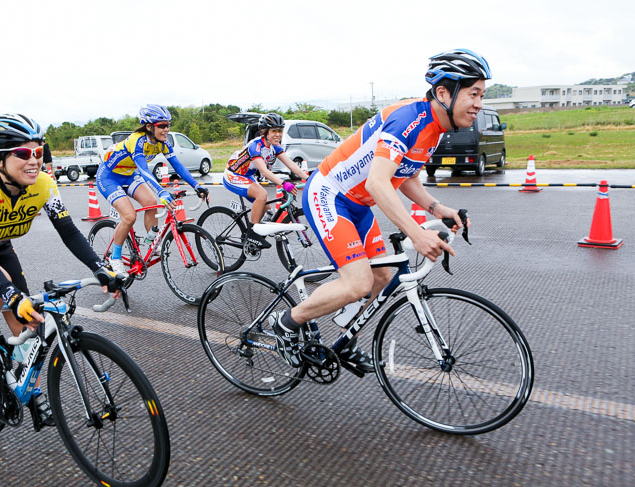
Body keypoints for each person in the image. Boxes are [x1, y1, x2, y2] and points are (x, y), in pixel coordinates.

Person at [270, 49, 487, 373]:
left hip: (357, 205)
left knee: (383, 277)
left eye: (482, 95)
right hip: (329, 195)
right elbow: (378, 183)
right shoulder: (408, 119)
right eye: (474, 94)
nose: (479, 104)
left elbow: (406, 176)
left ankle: (345, 341)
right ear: (444, 92)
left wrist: (438, 208)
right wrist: (417, 232)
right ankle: (286, 322)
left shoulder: (435, 129)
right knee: (358, 283)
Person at [0, 113, 122, 427]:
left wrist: (101, 268)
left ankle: (26, 390)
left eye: (38, 152)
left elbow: (70, 233)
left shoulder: (43, 183)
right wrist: (13, 297)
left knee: (27, 330)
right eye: (22, 154)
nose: (33, 161)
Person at [96, 104, 209, 272]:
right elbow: (144, 170)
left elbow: (178, 166)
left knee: (150, 201)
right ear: (149, 126)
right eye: (162, 126)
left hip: (129, 174)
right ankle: (115, 257)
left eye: (168, 125)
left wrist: (197, 185)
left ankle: (151, 244)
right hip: (108, 177)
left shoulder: (162, 142)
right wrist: (162, 191)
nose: (166, 130)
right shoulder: (137, 140)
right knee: (129, 216)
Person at [223, 113, 308, 249]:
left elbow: (291, 165)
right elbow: (264, 171)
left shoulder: (275, 146)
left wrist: (308, 178)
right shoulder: (255, 146)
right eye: (274, 131)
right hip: (233, 174)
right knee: (261, 194)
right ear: (264, 131)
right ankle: (252, 234)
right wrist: (283, 183)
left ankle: (251, 233)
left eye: (280, 131)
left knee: (267, 210)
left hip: (246, 176)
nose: (278, 134)